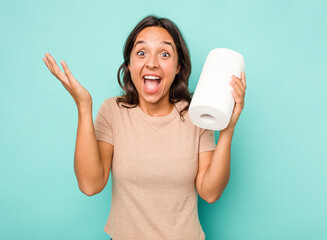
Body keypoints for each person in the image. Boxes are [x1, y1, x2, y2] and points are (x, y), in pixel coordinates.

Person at [42, 15, 246, 240]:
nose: (152, 62)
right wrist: (83, 106)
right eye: (141, 52)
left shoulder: (194, 114)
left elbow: (210, 192)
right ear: (129, 65)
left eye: (165, 54)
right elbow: (90, 184)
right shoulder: (112, 111)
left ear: (178, 67)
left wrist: (227, 129)